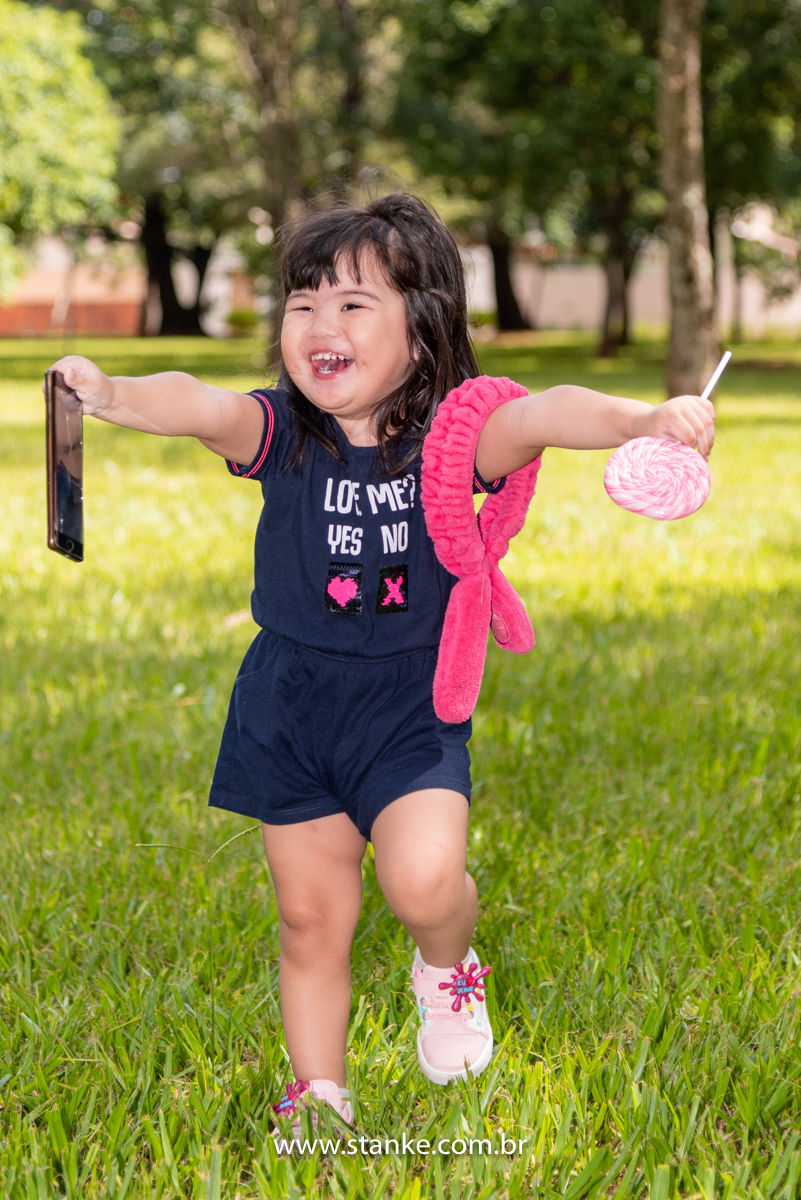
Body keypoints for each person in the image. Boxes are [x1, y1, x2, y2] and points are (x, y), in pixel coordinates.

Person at [48, 193, 715, 1127]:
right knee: (310, 919)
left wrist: (642, 417)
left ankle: (447, 966)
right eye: (301, 303)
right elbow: (197, 404)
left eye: (352, 304)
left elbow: (542, 414)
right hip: (290, 708)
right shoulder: (281, 432)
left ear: (423, 322)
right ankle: (319, 1092)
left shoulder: (450, 441)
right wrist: (113, 396)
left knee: (425, 882)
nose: (320, 324)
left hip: (410, 708)